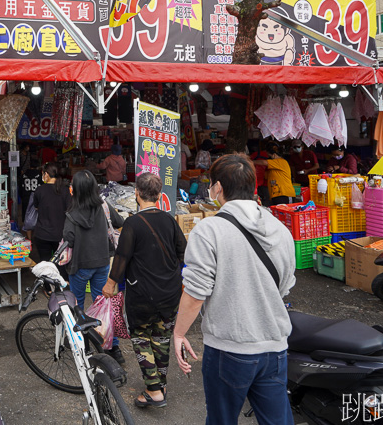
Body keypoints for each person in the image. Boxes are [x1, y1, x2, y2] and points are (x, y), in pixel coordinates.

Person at [174, 154, 296, 425]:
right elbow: (286, 285)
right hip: (275, 346)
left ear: (217, 188)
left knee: (221, 420)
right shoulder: (279, 227)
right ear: (252, 187)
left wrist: (179, 332)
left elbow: (196, 292)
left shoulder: (209, 230)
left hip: (229, 349)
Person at [103, 173, 186, 409]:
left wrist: (111, 284)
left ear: (137, 194)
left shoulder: (133, 224)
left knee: (141, 337)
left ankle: (153, 390)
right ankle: (162, 383)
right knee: (161, 338)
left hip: (143, 295)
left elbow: (122, 257)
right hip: (170, 293)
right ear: (159, 196)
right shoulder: (169, 220)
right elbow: (184, 252)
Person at [62, 170, 124, 308]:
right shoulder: (104, 206)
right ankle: (97, 328)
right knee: (100, 303)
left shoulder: (72, 214)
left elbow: (69, 239)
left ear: (76, 190)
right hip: (102, 262)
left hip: (80, 266)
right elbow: (120, 222)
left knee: (77, 304)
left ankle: (78, 328)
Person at [31, 162, 71, 263]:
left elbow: (36, 207)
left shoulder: (39, 190)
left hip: (42, 234)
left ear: (47, 174)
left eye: (43, 174)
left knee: (45, 265)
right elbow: (70, 210)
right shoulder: (65, 190)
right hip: (60, 235)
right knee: (61, 267)